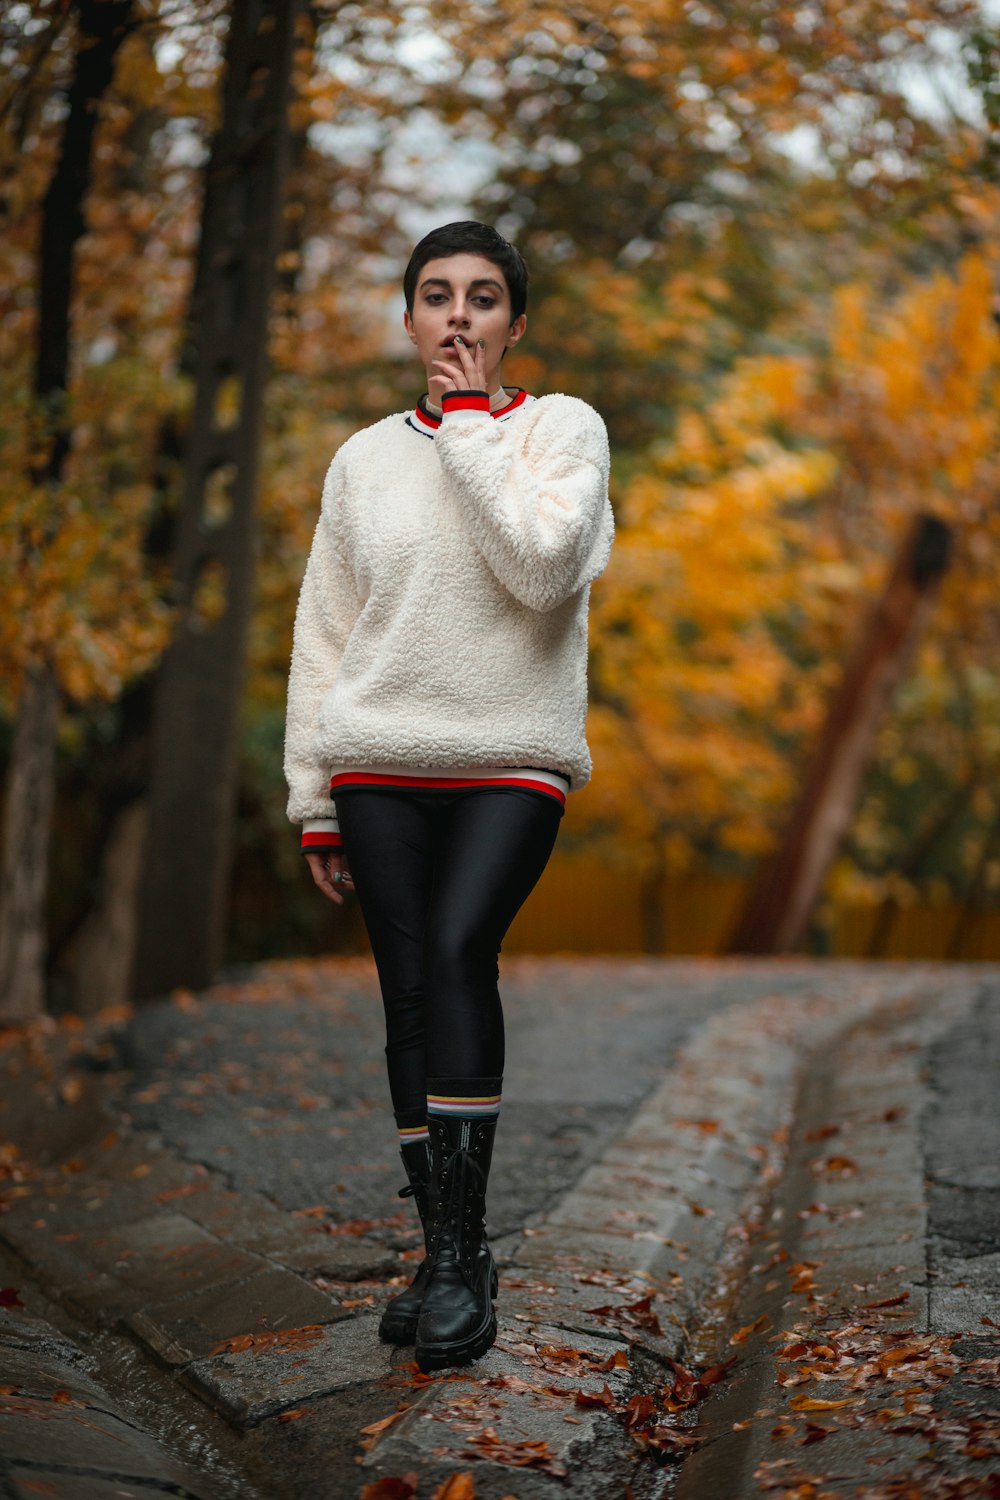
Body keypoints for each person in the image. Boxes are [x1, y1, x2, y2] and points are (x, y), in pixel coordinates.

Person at [283, 221, 614, 1372]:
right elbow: (324, 636)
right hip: (377, 757)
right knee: (407, 991)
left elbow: (540, 567)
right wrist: (313, 795)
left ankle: (463, 1248)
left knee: (462, 947)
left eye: (483, 298)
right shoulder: (361, 459)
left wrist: (471, 423)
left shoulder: (561, 430)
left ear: (514, 323)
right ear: (410, 318)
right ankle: (446, 1258)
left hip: (509, 752)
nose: (459, 316)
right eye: (437, 296)